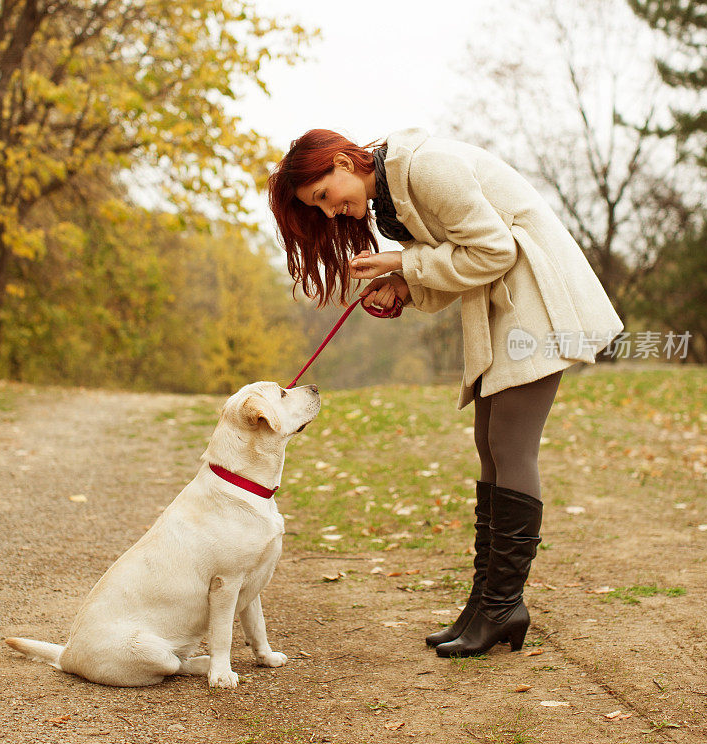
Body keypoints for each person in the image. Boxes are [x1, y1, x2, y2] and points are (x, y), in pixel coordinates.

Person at [267, 127, 623, 658]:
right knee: (490, 444)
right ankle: (488, 603)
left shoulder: (424, 167)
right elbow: (461, 258)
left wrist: (400, 264)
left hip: (536, 303)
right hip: (505, 306)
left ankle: (503, 604)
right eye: (317, 208)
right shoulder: (392, 192)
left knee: (511, 447)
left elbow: (494, 250)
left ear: (343, 161)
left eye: (323, 196)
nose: (329, 212)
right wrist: (406, 287)